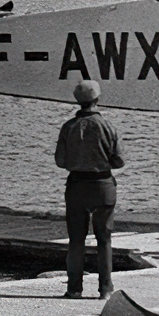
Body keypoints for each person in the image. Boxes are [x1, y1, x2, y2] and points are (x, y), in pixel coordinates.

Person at [54, 80, 125, 299]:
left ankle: (74, 289)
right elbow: (119, 161)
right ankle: (105, 289)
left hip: (76, 186)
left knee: (76, 241)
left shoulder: (68, 127)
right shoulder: (108, 126)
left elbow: (60, 161)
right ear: (97, 99)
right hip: (103, 186)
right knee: (104, 240)